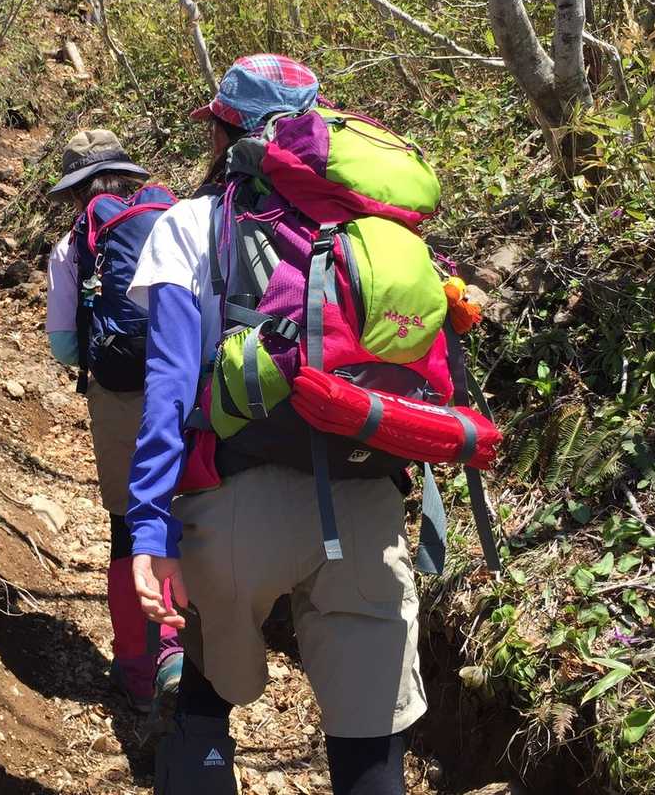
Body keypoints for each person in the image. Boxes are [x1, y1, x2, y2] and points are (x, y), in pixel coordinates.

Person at [126, 56, 426, 795]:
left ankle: (200, 753)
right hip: (366, 494)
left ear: (221, 133)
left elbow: (167, 389)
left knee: (205, 691)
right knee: (369, 738)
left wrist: (149, 532)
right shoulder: (367, 227)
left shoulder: (188, 225)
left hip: (232, 506)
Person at [43, 129, 185, 723]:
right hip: (194, 387)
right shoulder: (179, 219)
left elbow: (64, 346)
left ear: (77, 188)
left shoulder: (74, 244)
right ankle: (190, 655)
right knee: (192, 516)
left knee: (129, 526)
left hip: (123, 396)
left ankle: (139, 668)